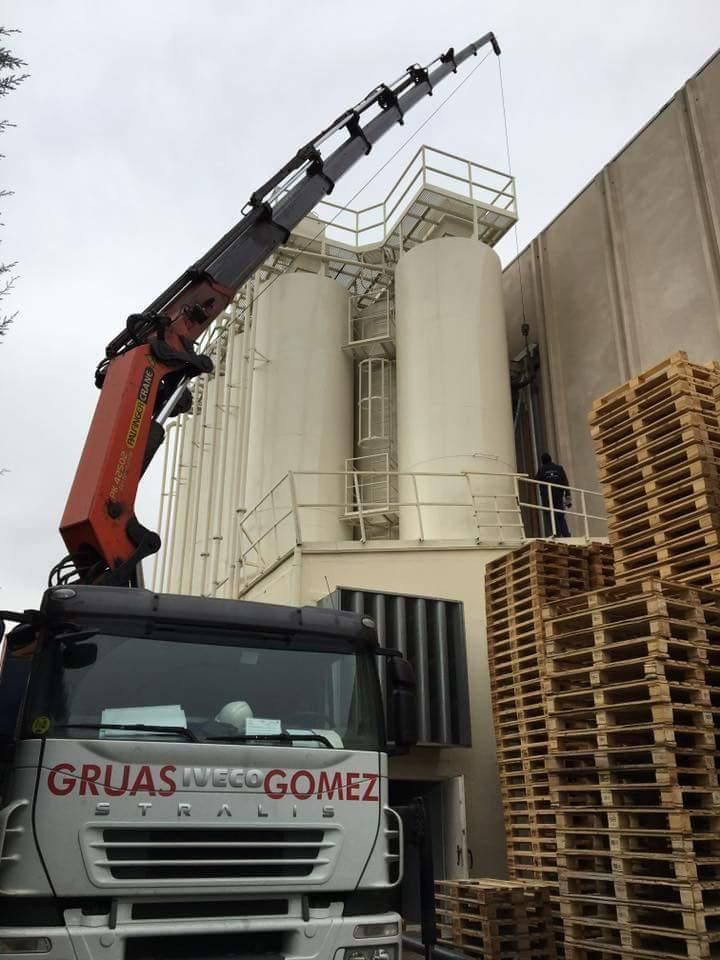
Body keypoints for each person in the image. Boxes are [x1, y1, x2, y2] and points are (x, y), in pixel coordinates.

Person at [535, 452, 571, 537]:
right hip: (558, 496)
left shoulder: (542, 469)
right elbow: (565, 482)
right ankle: (566, 534)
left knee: (551, 515)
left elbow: (535, 480)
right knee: (560, 515)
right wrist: (567, 497)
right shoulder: (559, 468)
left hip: (547, 497)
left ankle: (556, 534)